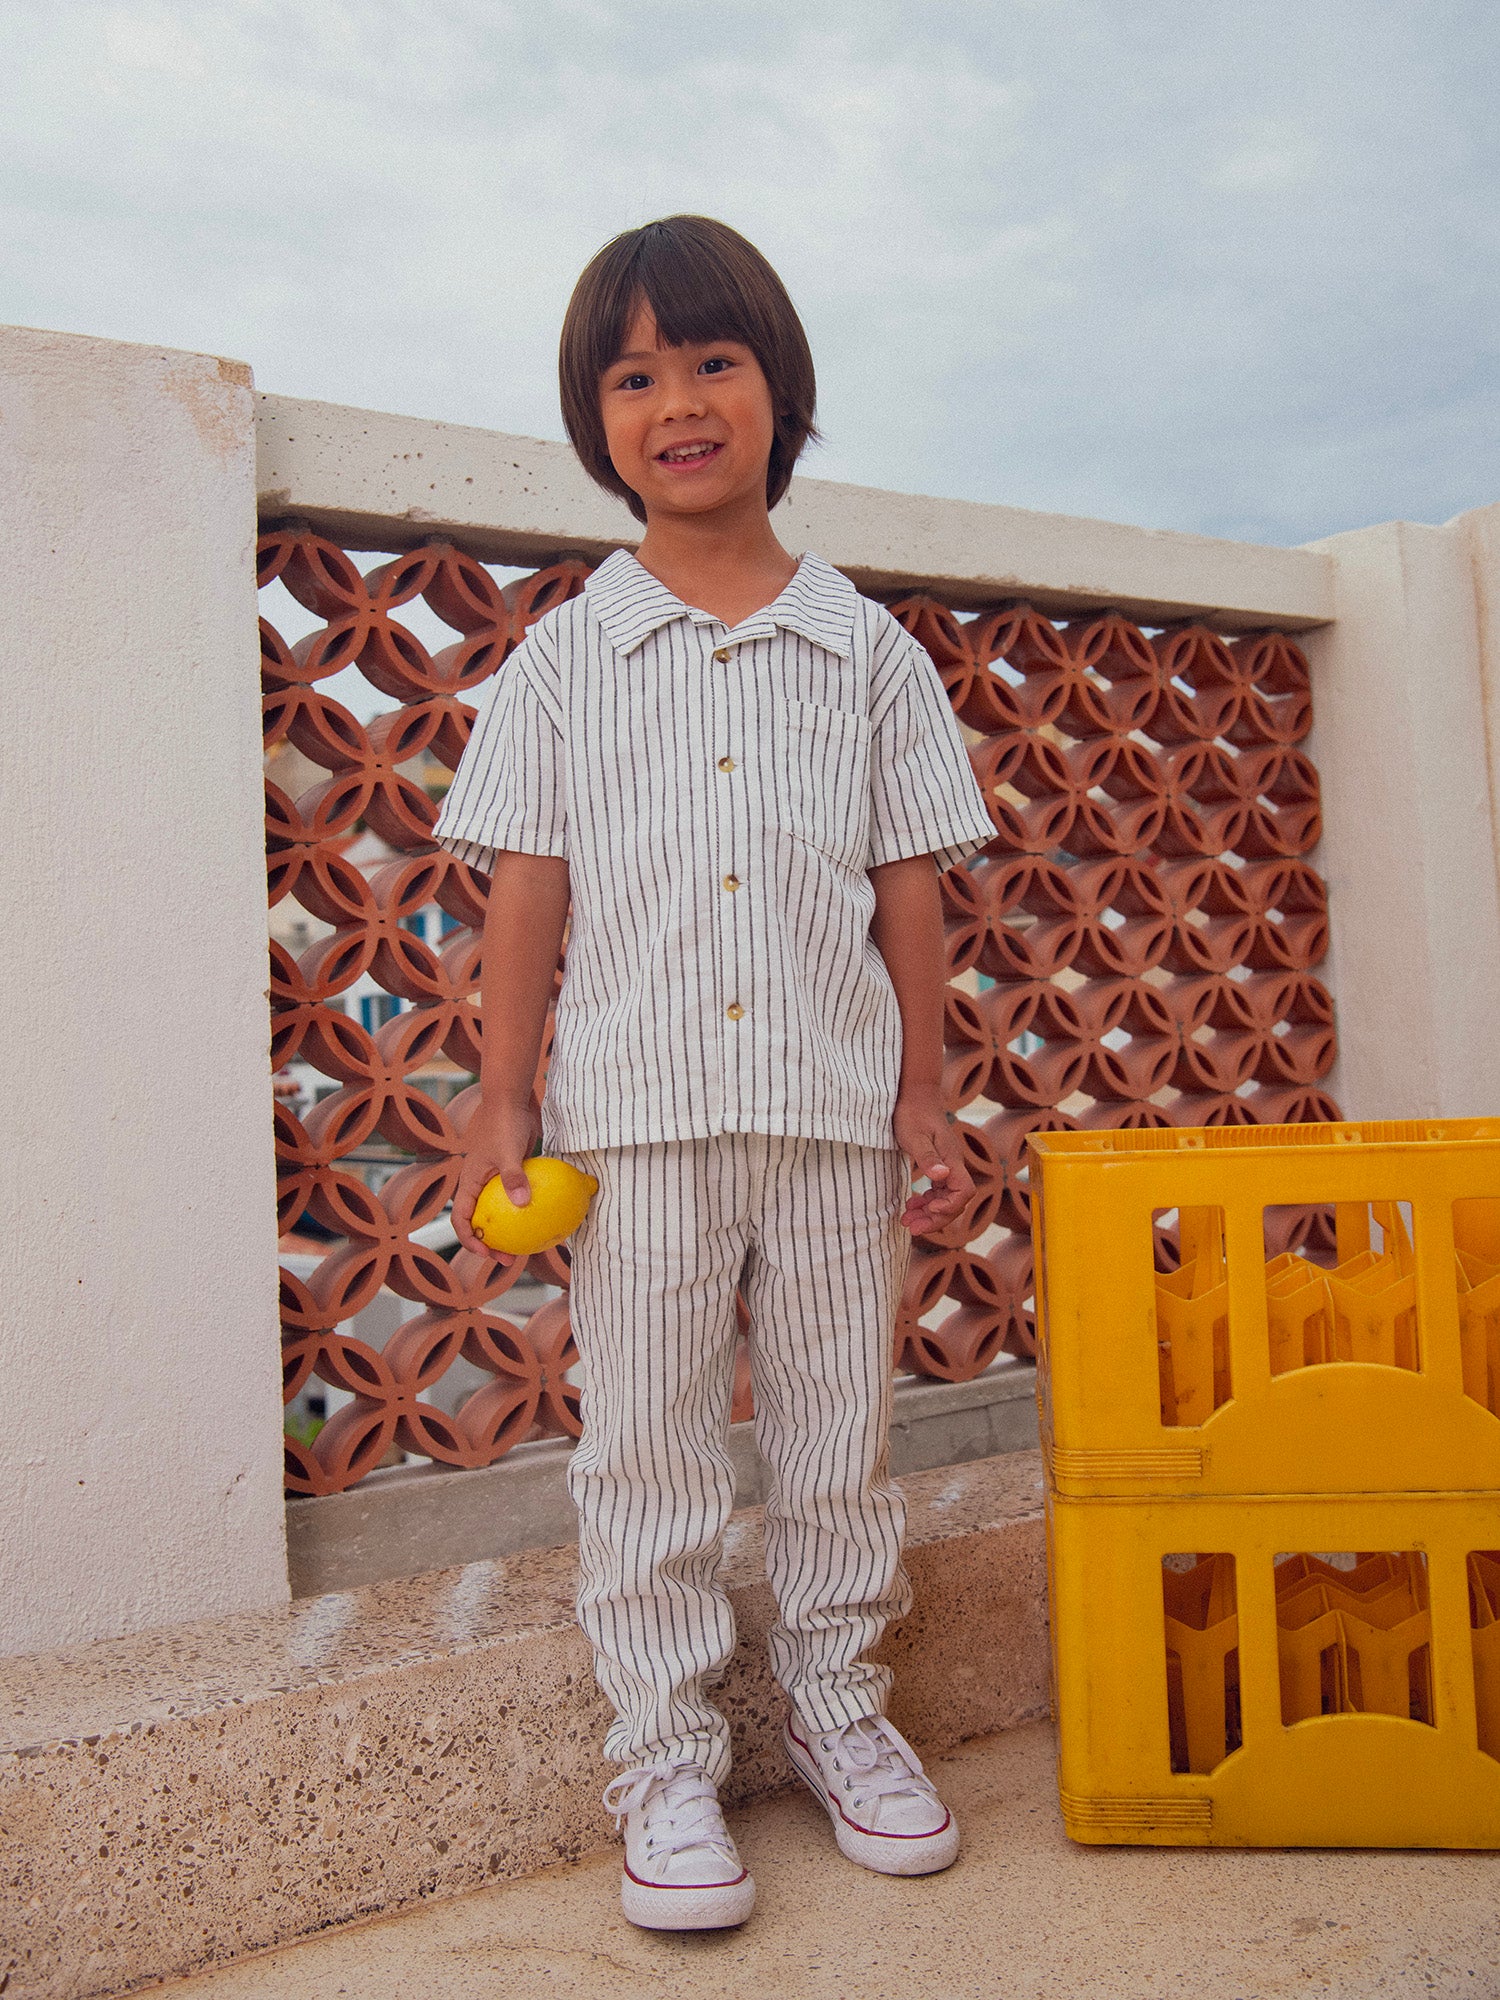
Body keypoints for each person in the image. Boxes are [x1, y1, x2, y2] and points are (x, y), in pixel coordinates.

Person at [434, 215, 995, 1933]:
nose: (676, 402)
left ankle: (840, 1707)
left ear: (780, 391)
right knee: (650, 1455)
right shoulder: (564, 658)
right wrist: (504, 1092)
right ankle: (664, 1756)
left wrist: (921, 1089)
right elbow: (529, 880)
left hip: (833, 1117)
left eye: (711, 361)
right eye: (633, 377)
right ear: (597, 423)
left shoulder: (871, 652)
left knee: (837, 1440)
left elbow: (909, 881)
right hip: (636, 1123)